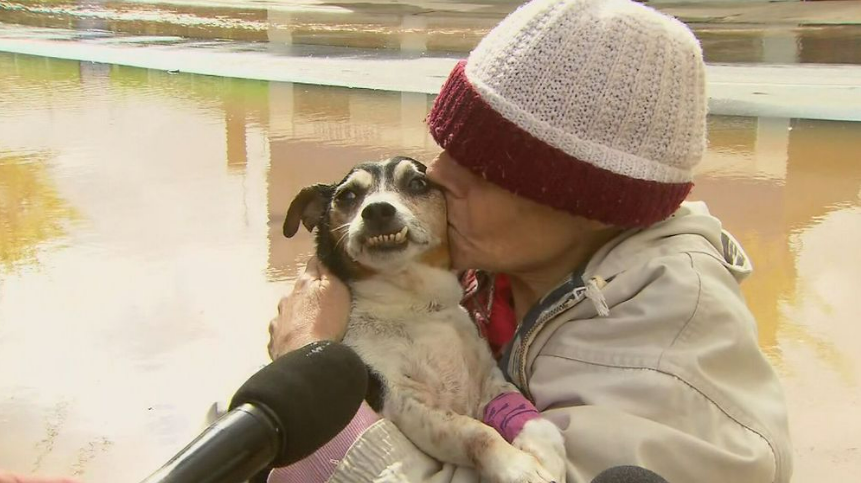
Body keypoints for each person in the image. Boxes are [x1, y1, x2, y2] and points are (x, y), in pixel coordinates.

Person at [266, 0, 793, 482]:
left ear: (588, 203)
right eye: (445, 146)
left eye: (480, 165)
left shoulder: (671, 374)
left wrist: (306, 372)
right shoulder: (504, 272)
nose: (437, 175)